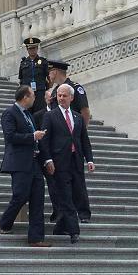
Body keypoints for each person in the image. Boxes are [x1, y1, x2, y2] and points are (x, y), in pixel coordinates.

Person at [0, 85, 51, 246]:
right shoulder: (10, 113)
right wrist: (32, 136)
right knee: (20, 195)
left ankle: (36, 238)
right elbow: (10, 136)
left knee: (38, 199)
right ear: (25, 97)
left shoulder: (29, 115)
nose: (35, 98)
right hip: (19, 162)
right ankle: (5, 222)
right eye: (33, 95)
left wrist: (46, 158)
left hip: (34, 162)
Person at [40, 82, 93, 244]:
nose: (61, 98)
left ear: (71, 97)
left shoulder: (77, 116)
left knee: (77, 193)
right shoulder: (50, 116)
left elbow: (84, 140)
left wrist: (89, 159)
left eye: (64, 96)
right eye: (59, 95)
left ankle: (60, 228)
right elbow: (45, 141)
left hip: (76, 161)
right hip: (59, 162)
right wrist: (48, 160)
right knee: (65, 196)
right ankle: (74, 231)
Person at [45, 59, 91, 220]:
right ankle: (61, 212)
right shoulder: (55, 92)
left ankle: (83, 213)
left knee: (78, 183)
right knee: (59, 184)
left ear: (55, 71)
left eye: (50, 72)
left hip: (74, 142)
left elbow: (85, 111)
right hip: (59, 147)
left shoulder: (75, 89)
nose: (48, 75)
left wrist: (81, 134)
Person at [17, 37, 50, 112]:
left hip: (40, 93)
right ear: (27, 49)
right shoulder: (23, 63)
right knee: (28, 112)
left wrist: (47, 89)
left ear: (37, 48)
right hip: (27, 93)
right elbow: (21, 79)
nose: (32, 50)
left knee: (41, 112)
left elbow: (49, 77)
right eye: (30, 49)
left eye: (34, 48)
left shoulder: (43, 61)